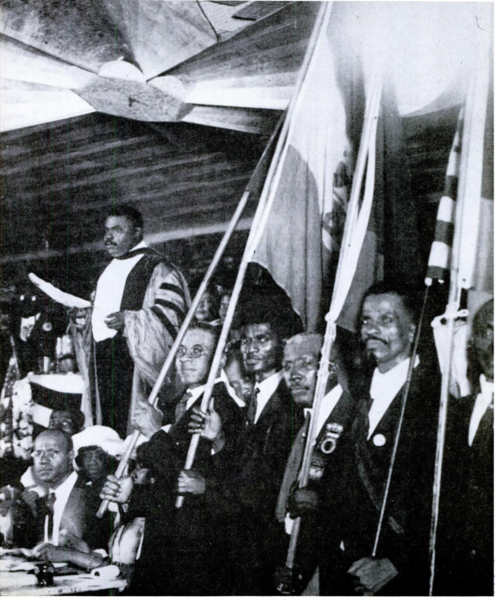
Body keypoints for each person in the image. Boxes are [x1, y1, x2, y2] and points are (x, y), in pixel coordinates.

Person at [315, 281, 441, 595]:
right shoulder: (353, 397)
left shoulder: (435, 400)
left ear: (413, 330)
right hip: (345, 570)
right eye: (367, 321)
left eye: (386, 320)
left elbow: (446, 500)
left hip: (402, 577)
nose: (373, 330)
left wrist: (396, 563)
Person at [100, 323, 245, 595]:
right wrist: (130, 494)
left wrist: (155, 434)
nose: (185, 359)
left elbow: (192, 482)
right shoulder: (178, 405)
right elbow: (165, 486)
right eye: (180, 351)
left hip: (195, 559)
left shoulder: (223, 410)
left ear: (221, 359)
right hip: (166, 550)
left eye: (197, 351)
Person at [91, 204, 190, 437]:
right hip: (107, 365)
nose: (108, 237)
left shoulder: (157, 268)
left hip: (137, 367)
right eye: (106, 230)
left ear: (137, 233)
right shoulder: (108, 272)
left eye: (117, 230)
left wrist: (131, 320)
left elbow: (174, 319)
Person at [229, 297, 304, 595]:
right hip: (244, 540)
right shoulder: (251, 400)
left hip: (270, 542)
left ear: (283, 344)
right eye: (245, 341)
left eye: (261, 339)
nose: (250, 349)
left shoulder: (291, 403)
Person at [273, 333, 356, 594]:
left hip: (334, 568)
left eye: (305, 364)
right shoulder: (299, 423)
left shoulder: (352, 417)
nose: (294, 375)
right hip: (297, 559)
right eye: (287, 366)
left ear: (332, 366)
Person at [435, 299, 493, 596]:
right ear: (474, 341)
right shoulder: (453, 414)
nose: (494, 344)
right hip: (453, 578)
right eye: (488, 331)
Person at [14, 430, 112, 566]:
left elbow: (108, 563)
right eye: (38, 453)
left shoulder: (96, 497)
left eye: (52, 452)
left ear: (70, 455)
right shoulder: (44, 501)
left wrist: (69, 555)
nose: (43, 460)